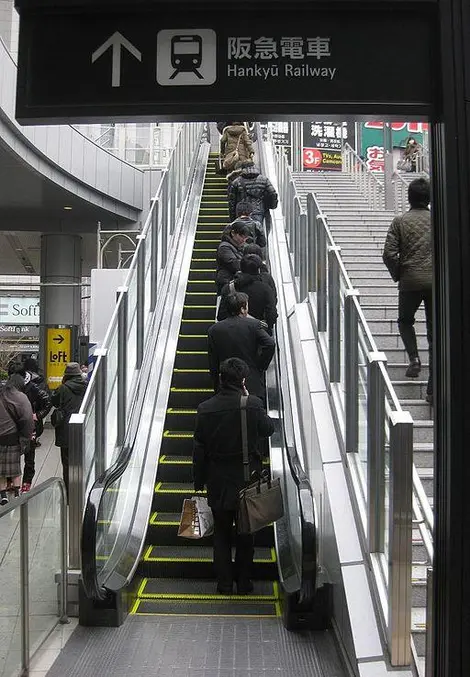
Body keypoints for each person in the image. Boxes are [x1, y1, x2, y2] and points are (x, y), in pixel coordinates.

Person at [193, 357, 275, 594]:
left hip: (218, 479)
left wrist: (199, 480)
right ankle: (245, 582)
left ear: (220, 379)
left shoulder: (205, 408)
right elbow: (268, 429)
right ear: (242, 380)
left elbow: (199, 448)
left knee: (220, 532)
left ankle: (224, 583)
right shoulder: (253, 404)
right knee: (246, 531)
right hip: (246, 479)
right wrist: (251, 398)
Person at [382, 177, 433, 404]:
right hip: (436, 282)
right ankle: (433, 386)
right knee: (435, 332)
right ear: (429, 198)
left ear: (409, 197)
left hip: (410, 281)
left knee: (405, 321)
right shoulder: (438, 220)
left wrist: (400, 273)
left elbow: (389, 254)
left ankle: (414, 358)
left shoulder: (400, 221)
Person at [208, 292, 275, 399]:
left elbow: (213, 361)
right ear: (243, 309)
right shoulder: (254, 325)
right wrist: (260, 366)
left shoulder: (214, 330)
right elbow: (270, 344)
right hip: (251, 382)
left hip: (226, 385)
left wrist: (217, 384)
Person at [8, 361, 51, 492]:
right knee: (12, 454)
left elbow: (47, 402)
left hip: (30, 426)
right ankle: (11, 480)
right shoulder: (8, 387)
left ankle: (27, 481)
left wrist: (37, 415)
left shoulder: (33, 387)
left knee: (29, 455)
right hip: (12, 426)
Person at [50, 362, 87, 499]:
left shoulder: (63, 388)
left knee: (67, 463)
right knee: (81, 460)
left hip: (66, 430)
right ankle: (82, 489)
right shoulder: (87, 387)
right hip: (83, 428)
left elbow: (54, 402)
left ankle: (69, 494)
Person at [217, 255, 278, 334]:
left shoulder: (229, 288)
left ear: (241, 269)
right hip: (258, 335)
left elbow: (221, 316)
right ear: (259, 270)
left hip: (233, 334)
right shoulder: (266, 289)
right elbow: (271, 317)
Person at [0, 374, 34, 505]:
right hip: (13, 437)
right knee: (15, 468)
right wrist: (26, 437)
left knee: (1, 470)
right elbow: (27, 418)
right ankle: (16, 492)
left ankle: (3, 494)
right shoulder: (21, 397)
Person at [215, 220, 251, 294]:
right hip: (226, 282)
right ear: (233, 233)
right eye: (241, 236)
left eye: (245, 238)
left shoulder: (240, 246)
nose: (243, 240)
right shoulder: (224, 247)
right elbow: (234, 264)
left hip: (235, 282)